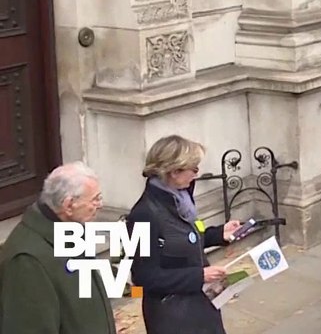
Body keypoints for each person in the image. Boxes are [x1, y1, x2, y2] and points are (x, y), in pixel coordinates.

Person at [126, 135, 244, 334]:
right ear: (174, 171)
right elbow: (144, 276)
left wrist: (218, 234)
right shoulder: (143, 215)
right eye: (194, 169)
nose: (196, 175)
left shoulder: (181, 198)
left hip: (200, 305)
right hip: (173, 317)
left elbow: (184, 239)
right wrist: (199, 276)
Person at [0, 163, 117, 334]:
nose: (100, 205)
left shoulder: (70, 233)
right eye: (95, 199)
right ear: (69, 206)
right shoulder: (27, 262)